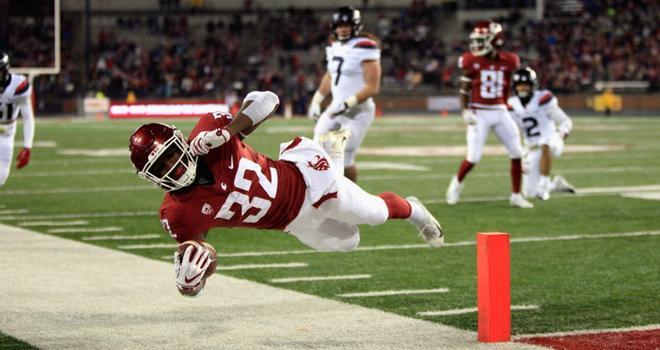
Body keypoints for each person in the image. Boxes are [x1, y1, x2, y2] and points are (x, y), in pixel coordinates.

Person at [129, 90, 443, 297]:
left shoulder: (209, 133)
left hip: (304, 178)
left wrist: (227, 132)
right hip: (291, 222)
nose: (173, 167)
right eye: (161, 166)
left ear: (180, 141)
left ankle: (415, 211)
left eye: (170, 154)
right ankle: (333, 154)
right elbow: (197, 256)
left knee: (372, 213)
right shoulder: (176, 213)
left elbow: (268, 99)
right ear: (150, 178)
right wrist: (193, 280)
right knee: (349, 241)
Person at [445, 21, 533, 208]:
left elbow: (517, 83)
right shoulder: (471, 60)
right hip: (480, 112)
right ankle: (456, 184)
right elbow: (464, 89)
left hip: (500, 111)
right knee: (473, 157)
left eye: (481, 40)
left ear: (495, 40)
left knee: (517, 152)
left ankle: (516, 195)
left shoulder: (510, 60)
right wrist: (465, 110)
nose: (476, 45)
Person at [308, 6, 381, 183]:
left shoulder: (366, 47)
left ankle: (353, 200)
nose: (342, 29)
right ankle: (323, 195)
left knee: (345, 156)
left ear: (355, 26)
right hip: (336, 108)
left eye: (346, 25)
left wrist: (347, 103)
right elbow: (330, 74)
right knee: (317, 147)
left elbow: (373, 87)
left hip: (358, 110)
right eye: (339, 25)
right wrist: (317, 100)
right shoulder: (335, 45)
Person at [508, 67, 575, 200]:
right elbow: (510, 132)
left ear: (532, 85)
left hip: (551, 140)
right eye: (519, 85)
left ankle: (544, 186)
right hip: (531, 147)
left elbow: (566, 122)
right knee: (530, 192)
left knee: (545, 143)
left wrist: (560, 137)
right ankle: (555, 184)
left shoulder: (544, 99)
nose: (522, 88)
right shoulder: (511, 105)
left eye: (525, 85)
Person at [0, 51, 34, 186]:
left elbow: (28, 117)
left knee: (1, 175)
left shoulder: (18, 85)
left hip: (6, 134)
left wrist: (27, 146)